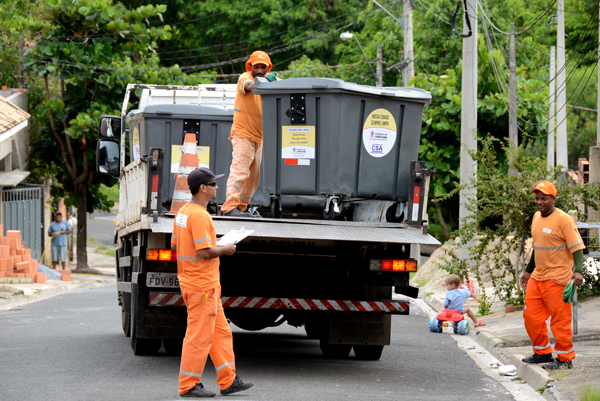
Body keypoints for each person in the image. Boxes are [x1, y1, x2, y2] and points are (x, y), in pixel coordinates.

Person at [171, 167, 254, 397]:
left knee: (220, 333)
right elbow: (204, 252)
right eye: (214, 184)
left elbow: (176, 246)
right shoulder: (200, 215)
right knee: (199, 336)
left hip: (197, 284)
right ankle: (188, 385)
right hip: (202, 286)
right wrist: (225, 248)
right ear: (202, 188)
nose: (217, 187)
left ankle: (228, 380)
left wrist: (212, 242)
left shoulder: (183, 213)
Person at [520, 180, 585, 370]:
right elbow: (537, 248)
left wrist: (578, 271)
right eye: (537, 198)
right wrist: (528, 271)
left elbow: (577, 248)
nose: (539, 202)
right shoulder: (536, 218)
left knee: (560, 321)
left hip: (558, 280)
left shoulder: (564, 220)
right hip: (537, 278)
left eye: (544, 199)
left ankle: (565, 359)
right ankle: (542, 353)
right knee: (531, 317)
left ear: (553, 198)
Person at [221, 50, 278, 217]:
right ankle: (230, 207)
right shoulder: (245, 78)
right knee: (240, 170)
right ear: (250, 66)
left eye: (263, 67)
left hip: (259, 137)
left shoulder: (270, 81)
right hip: (243, 134)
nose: (259, 71)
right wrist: (265, 81)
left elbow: (285, 87)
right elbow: (249, 86)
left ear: (269, 68)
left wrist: (275, 82)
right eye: (256, 67)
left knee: (253, 177)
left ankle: (242, 207)